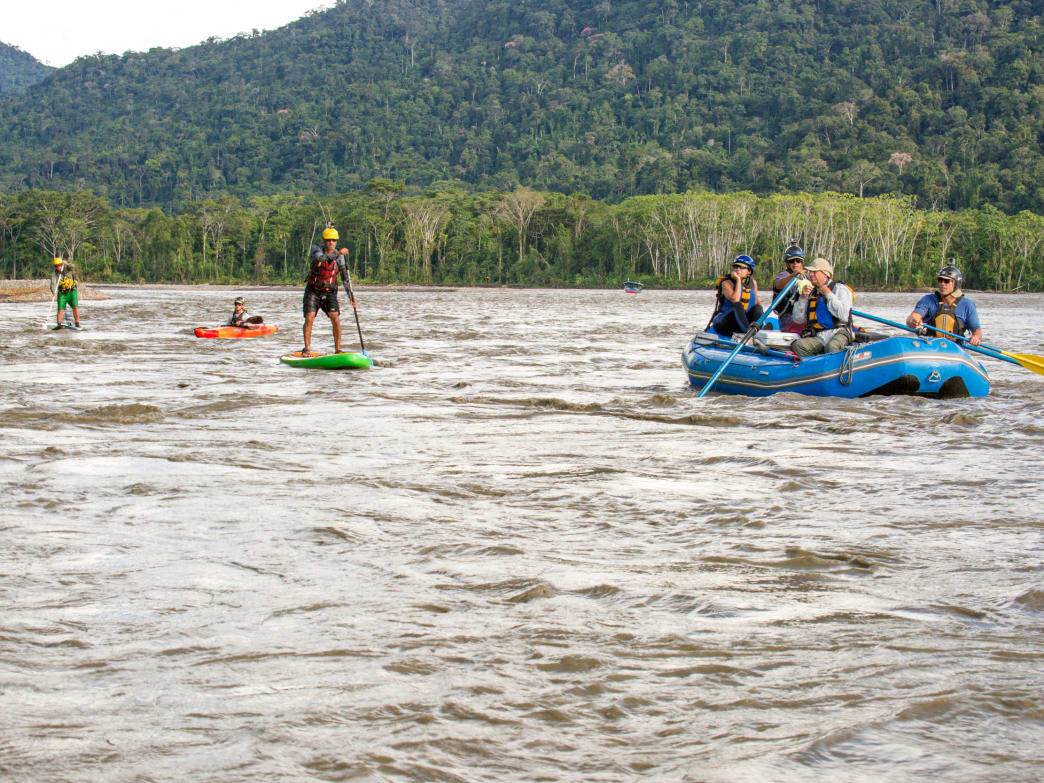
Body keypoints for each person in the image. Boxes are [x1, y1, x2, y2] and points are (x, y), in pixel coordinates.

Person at [789, 257, 854, 357]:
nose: (810, 274)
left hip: (839, 332)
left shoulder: (840, 289)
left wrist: (828, 294)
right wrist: (802, 298)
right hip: (820, 336)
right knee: (798, 345)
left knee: (832, 347)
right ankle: (814, 366)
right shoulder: (811, 292)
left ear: (825, 274)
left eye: (814, 272)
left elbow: (844, 315)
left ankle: (834, 367)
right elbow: (798, 319)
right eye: (810, 272)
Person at [302, 226, 351, 355]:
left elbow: (345, 277)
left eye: (334, 240)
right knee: (309, 317)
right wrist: (338, 253)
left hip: (330, 291)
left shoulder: (340, 258)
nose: (331, 242)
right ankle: (307, 349)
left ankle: (338, 349)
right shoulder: (316, 249)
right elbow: (321, 258)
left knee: (335, 317)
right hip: (313, 290)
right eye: (328, 240)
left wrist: (350, 295)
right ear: (324, 240)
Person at [906, 264, 982, 346]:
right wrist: (912, 320)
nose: (942, 283)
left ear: (955, 283)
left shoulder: (967, 305)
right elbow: (914, 316)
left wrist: (976, 337)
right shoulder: (928, 300)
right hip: (930, 346)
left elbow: (977, 331)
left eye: (946, 281)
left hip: (955, 348)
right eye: (940, 280)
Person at [708, 255, 763, 338]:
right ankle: (749, 335)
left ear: (749, 271)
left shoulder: (753, 283)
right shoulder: (726, 283)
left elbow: (757, 303)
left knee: (758, 307)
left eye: (742, 267)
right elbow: (735, 299)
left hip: (741, 322)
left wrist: (761, 320)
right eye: (736, 266)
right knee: (737, 305)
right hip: (725, 323)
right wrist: (738, 280)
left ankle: (758, 333)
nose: (738, 269)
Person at [772, 240, 806, 333]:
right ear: (787, 263)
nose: (795, 263)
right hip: (788, 317)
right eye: (792, 261)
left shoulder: (808, 277)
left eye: (798, 261)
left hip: (804, 315)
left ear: (801, 262)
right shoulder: (784, 275)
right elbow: (778, 285)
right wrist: (793, 275)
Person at [50, 257, 81, 328]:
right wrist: (53, 291)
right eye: (57, 266)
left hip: (72, 291)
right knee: (60, 309)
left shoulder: (67, 269)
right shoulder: (54, 274)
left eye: (60, 265)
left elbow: (73, 267)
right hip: (62, 293)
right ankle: (59, 324)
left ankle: (77, 323)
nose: (59, 267)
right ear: (55, 266)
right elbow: (53, 283)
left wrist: (66, 263)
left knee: (75, 307)